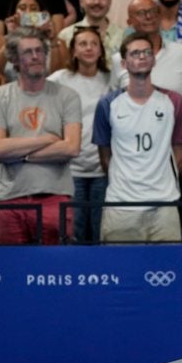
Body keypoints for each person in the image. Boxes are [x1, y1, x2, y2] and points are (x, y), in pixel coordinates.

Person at [0, 27, 81, 244]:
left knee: (55, 272)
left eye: (40, 50)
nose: (36, 56)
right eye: (28, 52)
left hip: (55, 197)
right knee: (10, 272)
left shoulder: (67, 96)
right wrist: (48, 139)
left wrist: (21, 154)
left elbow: (71, 147)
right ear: (14, 59)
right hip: (8, 199)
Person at [93, 32, 182, 242]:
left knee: (169, 270)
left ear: (154, 60)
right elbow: (105, 157)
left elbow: (179, 153)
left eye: (147, 52)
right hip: (121, 204)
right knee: (120, 271)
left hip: (164, 203)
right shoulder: (107, 104)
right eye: (135, 53)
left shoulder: (173, 101)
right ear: (124, 63)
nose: (142, 57)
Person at [48, 26, 111, 243]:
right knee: (73, 234)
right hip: (70, 169)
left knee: (100, 233)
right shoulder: (59, 79)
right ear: (73, 51)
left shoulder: (111, 80)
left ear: (101, 51)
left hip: (102, 169)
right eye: (82, 44)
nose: (89, 48)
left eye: (94, 44)